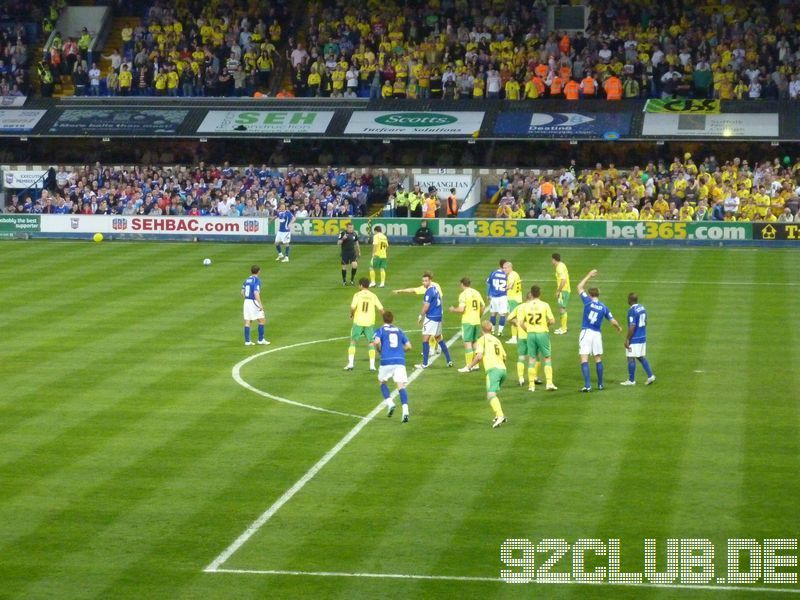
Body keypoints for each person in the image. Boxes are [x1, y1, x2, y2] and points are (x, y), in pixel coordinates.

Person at [577, 270, 622, 392]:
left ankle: (587, 385)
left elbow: (579, 287)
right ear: (598, 295)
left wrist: (589, 275)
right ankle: (600, 384)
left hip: (586, 332)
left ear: (590, 295)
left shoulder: (587, 302)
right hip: (597, 334)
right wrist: (618, 328)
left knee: (584, 358)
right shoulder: (603, 307)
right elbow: (613, 321)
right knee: (598, 358)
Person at [459, 321, 508, 428]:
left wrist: (469, 366)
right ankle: (497, 414)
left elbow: (479, 356)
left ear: (482, 330)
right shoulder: (497, 340)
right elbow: (505, 356)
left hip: (493, 370)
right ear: (491, 329)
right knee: (493, 393)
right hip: (503, 370)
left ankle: (500, 416)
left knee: (491, 395)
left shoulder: (482, 340)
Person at [373, 311, 412, 422]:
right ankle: (405, 411)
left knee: (382, 381)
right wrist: (401, 351)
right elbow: (409, 346)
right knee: (401, 386)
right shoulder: (399, 331)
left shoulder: (380, 330)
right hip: (399, 361)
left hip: (386, 360)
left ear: (383, 319)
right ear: (393, 320)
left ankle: (390, 403)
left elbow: (376, 342)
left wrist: (379, 350)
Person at [519, 285, 557, 392]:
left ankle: (531, 386)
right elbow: (552, 320)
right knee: (547, 357)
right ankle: (549, 383)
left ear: (531, 293)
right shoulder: (545, 305)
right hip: (542, 333)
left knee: (531, 359)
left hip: (530, 334)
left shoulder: (525, 306)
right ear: (539, 293)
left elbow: (521, 323)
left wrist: (528, 330)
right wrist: (546, 325)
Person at [411, 272, 451, 369]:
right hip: (438, 317)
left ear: (430, 281)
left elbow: (426, 306)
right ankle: (449, 360)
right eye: (423, 281)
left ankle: (424, 363)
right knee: (439, 339)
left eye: (426, 281)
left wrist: (421, 316)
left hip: (431, 318)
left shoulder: (429, 292)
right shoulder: (435, 289)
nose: (424, 283)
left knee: (425, 340)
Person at [345, 278, 384, 371]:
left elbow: (352, 307)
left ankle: (350, 364)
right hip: (369, 322)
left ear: (361, 285)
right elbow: (381, 309)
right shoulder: (373, 296)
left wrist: (351, 314)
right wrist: (386, 320)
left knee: (353, 341)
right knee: (371, 343)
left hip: (358, 321)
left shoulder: (357, 295)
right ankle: (372, 366)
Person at [448, 277, 484, 370]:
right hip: (476, 321)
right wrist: (478, 316)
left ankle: (468, 366)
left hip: (468, 321)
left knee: (467, 343)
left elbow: (461, 309)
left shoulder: (463, 295)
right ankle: (476, 364)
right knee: (475, 342)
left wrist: (453, 310)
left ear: (462, 284)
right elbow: (482, 306)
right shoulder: (476, 292)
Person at [621, 293, 656, 385]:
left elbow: (632, 326)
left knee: (630, 357)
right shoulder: (642, 308)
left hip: (635, 338)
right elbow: (645, 322)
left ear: (630, 300)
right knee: (640, 357)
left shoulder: (632, 311)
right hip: (642, 337)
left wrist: (628, 339)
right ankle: (650, 376)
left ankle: (631, 380)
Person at [241, 265, 269, 346]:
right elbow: (256, 293)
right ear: (259, 271)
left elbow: (242, 292)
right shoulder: (256, 280)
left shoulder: (246, 280)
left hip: (246, 301)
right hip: (253, 301)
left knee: (247, 321)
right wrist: (260, 304)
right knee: (262, 320)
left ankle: (247, 341)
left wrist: (247, 299)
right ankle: (260, 340)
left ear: (251, 271)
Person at [486, 259, 509, 336]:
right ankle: (499, 332)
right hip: (503, 296)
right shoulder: (507, 274)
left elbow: (488, 284)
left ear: (499, 265)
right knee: (502, 314)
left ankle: (492, 330)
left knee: (493, 314)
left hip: (494, 297)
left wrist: (488, 294)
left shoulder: (493, 273)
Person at [503, 260, 523, 343]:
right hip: (518, 298)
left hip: (513, 300)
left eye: (505, 268)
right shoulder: (515, 274)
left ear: (510, 267)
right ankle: (514, 337)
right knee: (514, 318)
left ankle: (522, 331)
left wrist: (504, 288)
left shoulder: (511, 275)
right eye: (503, 268)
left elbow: (510, 285)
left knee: (511, 318)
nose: (504, 270)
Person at [552, 253, 571, 334]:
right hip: (566, 289)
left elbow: (563, 280)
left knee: (562, 309)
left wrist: (558, 291)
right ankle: (563, 327)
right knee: (562, 308)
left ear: (554, 259)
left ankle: (563, 329)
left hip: (563, 290)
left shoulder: (559, 267)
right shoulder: (562, 265)